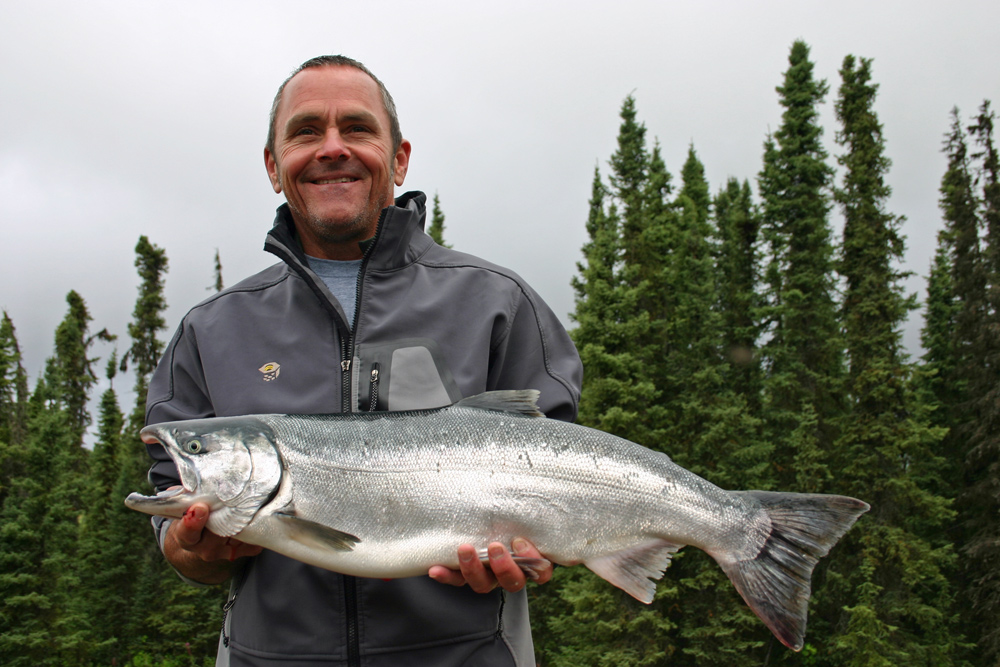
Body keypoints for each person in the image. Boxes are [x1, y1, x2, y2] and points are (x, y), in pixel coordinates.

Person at [143, 55, 583, 667]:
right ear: (274, 166)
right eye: (304, 132)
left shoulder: (498, 304)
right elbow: (172, 515)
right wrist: (194, 549)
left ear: (398, 159)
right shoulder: (210, 330)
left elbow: (565, 476)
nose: (331, 149)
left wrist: (535, 546)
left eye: (356, 128)